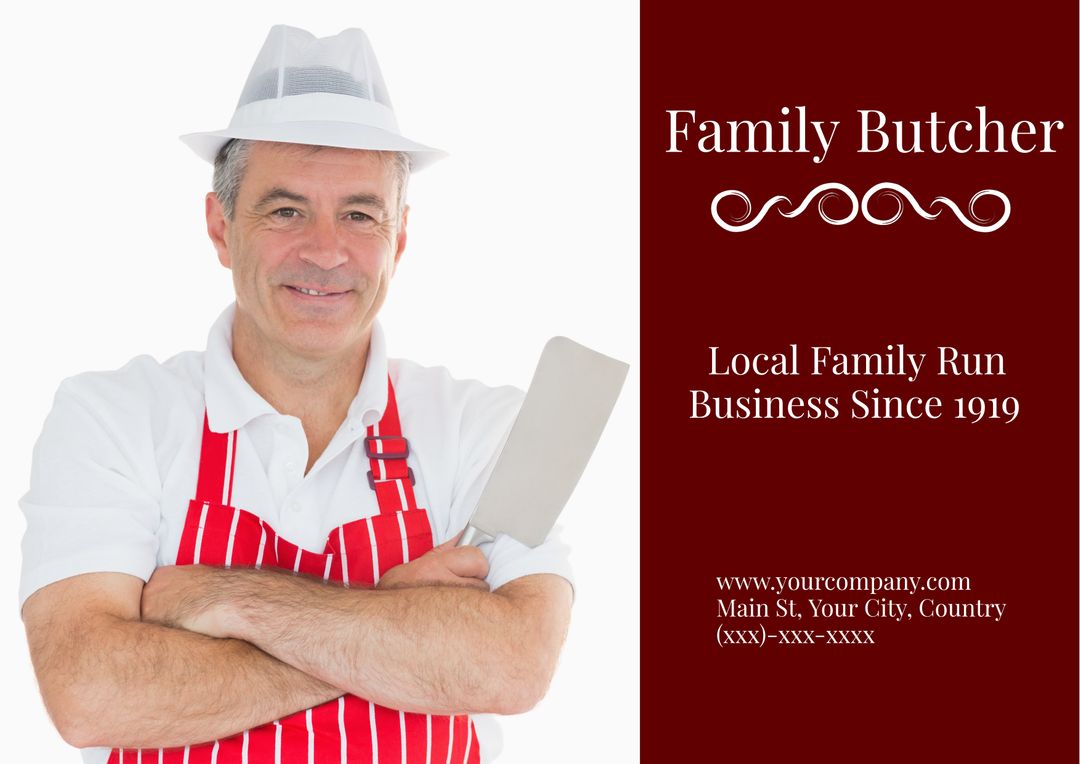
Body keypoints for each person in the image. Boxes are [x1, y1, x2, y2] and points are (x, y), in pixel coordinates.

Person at [19, 25, 573, 764]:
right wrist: (395, 623)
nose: (324, 249)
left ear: (400, 238)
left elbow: (513, 665)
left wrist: (225, 600)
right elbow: (89, 693)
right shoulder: (114, 417)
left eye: (359, 213)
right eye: (284, 210)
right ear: (221, 227)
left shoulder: (489, 426)